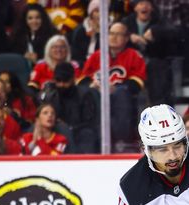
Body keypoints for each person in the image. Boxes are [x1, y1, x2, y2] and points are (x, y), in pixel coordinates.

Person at [79, 21, 147, 150]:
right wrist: (92, 85)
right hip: (96, 95)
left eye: (118, 34)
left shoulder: (134, 56)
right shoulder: (96, 56)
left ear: (126, 38)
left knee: (120, 94)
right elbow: (82, 79)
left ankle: (122, 140)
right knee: (89, 94)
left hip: (121, 96)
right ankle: (94, 141)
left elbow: (137, 82)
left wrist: (117, 88)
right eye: (111, 33)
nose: (114, 37)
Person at [39, 61, 99, 153]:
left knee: (87, 133)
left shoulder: (84, 95)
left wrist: (69, 128)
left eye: (66, 81)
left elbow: (89, 121)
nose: (62, 85)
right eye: (59, 81)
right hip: (57, 133)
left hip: (80, 132)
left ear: (73, 79)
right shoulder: (51, 97)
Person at [70, 0, 101, 64]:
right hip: (82, 63)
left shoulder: (112, 28)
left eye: (103, 11)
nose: (100, 14)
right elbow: (76, 52)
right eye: (97, 11)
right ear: (91, 13)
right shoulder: (81, 29)